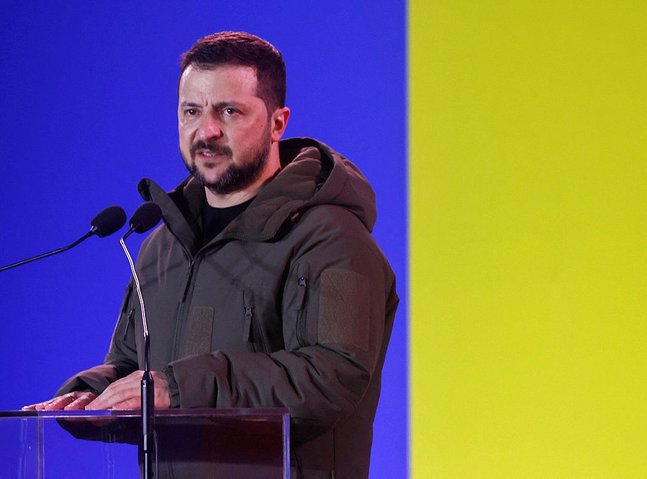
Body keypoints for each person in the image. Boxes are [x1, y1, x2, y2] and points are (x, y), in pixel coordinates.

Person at [23, 31, 398, 478]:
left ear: (278, 123)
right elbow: (135, 367)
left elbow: (331, 376)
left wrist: (178, 389)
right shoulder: (161, 245)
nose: (207, 131)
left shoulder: (332, 239)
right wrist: (91, 395)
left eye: (229, 111)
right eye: (191, 112)